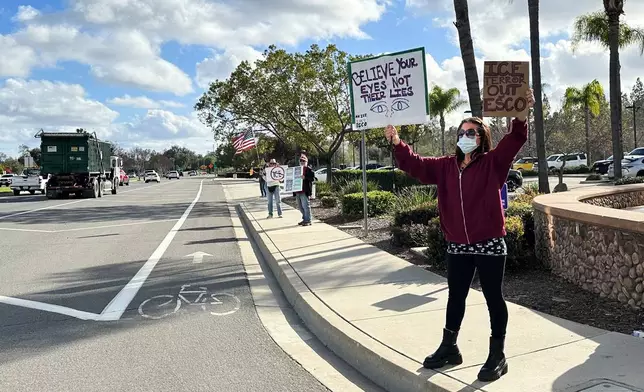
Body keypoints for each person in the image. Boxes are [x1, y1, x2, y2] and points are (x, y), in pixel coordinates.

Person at [385, 89, 535, 382]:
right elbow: (414, 164)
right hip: (457, 244)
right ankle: (449, 347)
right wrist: (397, 143)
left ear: (482, 139)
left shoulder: (494, 163)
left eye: (472, 132)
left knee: (494, 297)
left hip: (489, 241)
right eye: (463, 131)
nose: (466, 135)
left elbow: (515, 138)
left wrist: (520, 114)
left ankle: (497, 355)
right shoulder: (444, 167)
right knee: (456, 296)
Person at [294, 154, 315, 226]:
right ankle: (304, 219)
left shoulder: (309, 170)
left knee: (306, 206)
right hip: (297, 191)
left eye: (303, 160)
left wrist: (305, 177)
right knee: (300, 207)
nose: (302, 162)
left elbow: (312, 179)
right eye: (301, 160)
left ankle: (308, 220)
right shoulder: (296, 169)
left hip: (304, 191)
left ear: (306, 161)